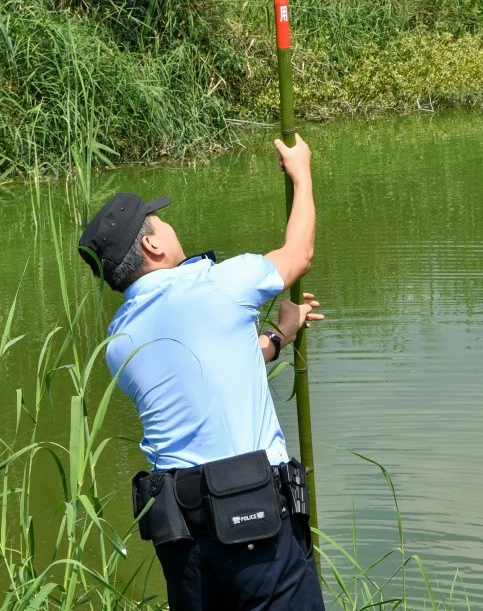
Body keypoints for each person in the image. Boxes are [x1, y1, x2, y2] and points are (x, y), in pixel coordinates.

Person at [77, 136, 325, 611]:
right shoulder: (213, 285)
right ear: (151, 244)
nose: (170, 227)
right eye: (161, 221)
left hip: (183, 540)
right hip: (255, 527)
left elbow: (211, 368)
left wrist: (278, 338)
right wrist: (302, 173)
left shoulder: (119, 342)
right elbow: (299, 254)